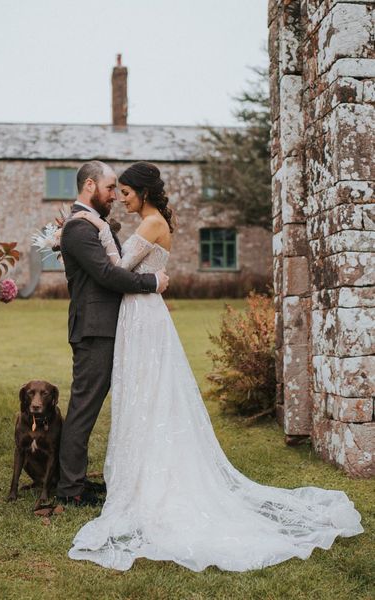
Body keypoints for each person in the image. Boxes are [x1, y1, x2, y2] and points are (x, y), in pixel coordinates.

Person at [66, 161, 363, 572]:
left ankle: (150, 481)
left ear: (144, 194)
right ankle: (137, 477)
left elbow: (114, 270)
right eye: (117, 191)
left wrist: (99, 231)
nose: (121, 198)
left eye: (127, 192)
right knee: (145, 394)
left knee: (147, 393)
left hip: (142, 314)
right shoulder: (151, 222)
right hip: (141, 314)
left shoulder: (150, 224)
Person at [56, 161, 169, 507]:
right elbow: (107, 273)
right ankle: (71, 489)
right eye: (109, 188)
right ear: (90, 186)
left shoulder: (95, 224)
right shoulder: (78, 228)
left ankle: (80, 480)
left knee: (100, 404)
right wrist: (151, 282)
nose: (114, 196)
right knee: (84, 407)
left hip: (110, 325)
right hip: (95, 329)